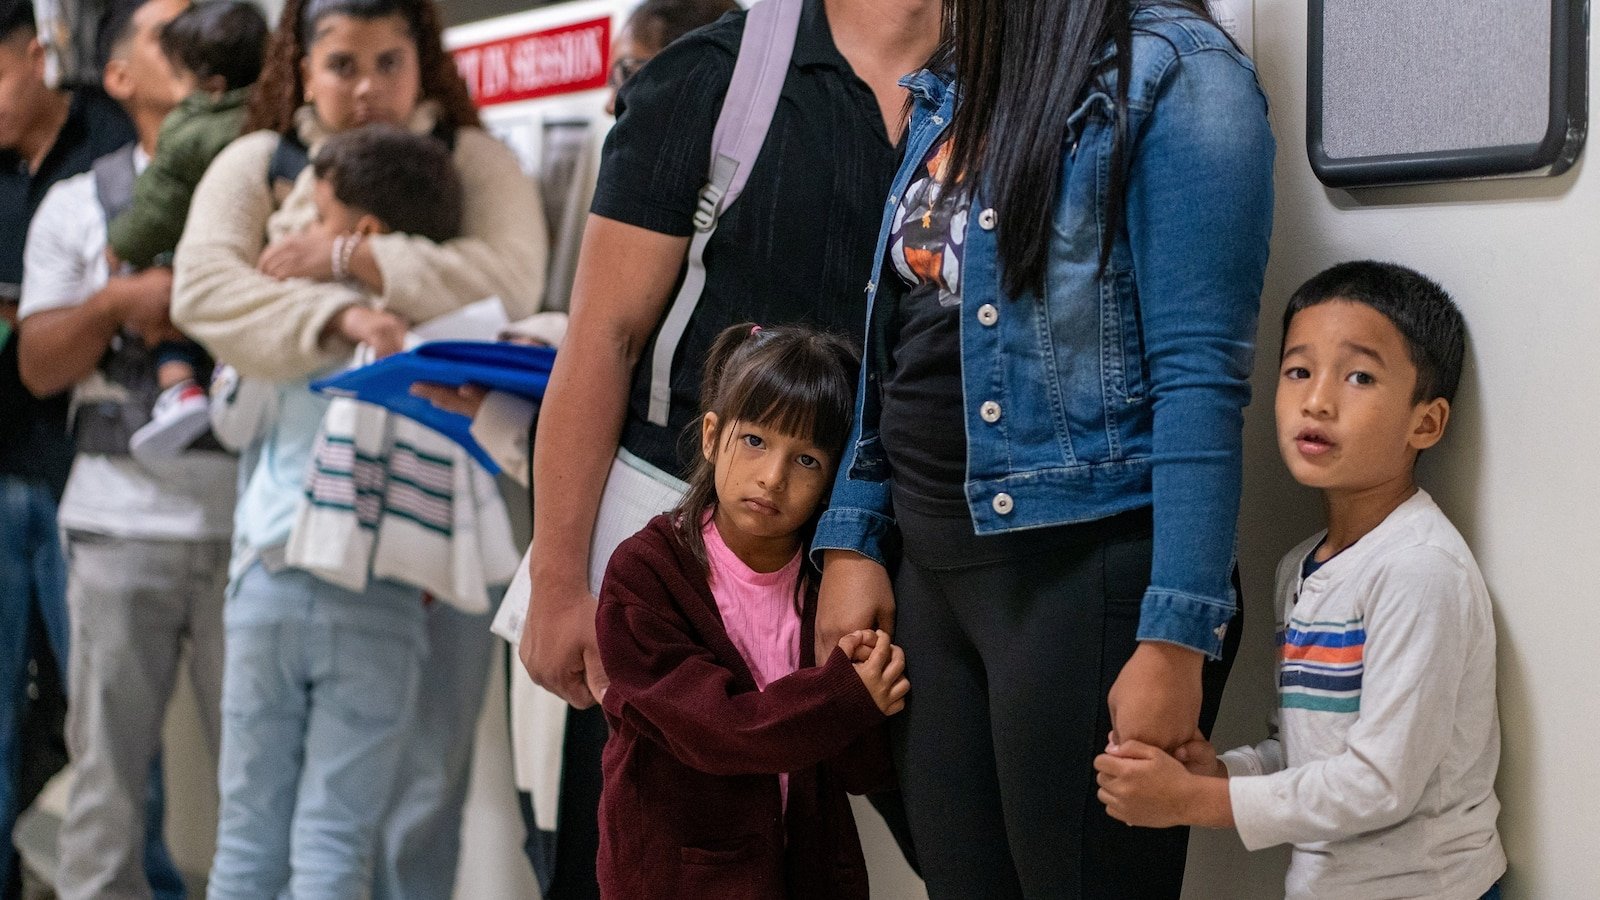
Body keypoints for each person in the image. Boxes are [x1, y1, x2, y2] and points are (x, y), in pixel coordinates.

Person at [809, 0, 1275, 896]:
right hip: (932, 572)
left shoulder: (1181, 74)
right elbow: (892, 336)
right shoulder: (957, 83)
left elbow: (1200, 384)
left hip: (1083, 574)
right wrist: (854, 536)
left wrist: (1177, 638)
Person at [518, 0, 938, 891]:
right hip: (676, 551)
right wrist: (556, 581)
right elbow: (603, 337)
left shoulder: (998, 85)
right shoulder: (707, 79)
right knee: (645, 853)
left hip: (902, 555)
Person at [167, 0, 544, 892]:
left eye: (388, 63)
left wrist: (342, 260)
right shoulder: (256, 162)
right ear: (302, 66)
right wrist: (341, 315)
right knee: (301, 828)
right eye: (342, 64)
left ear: (424, 61)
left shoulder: (472, 160)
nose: (367, 86)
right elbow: (205, 292)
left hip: (442, 548)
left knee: (422, 794)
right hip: (288, 539)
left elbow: (510, 284)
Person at [1095, 261, 1506, 900]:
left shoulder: (1419, 569)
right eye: (1298, 371)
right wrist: (1220, 773)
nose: (1317, 400)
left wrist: (1196, 802)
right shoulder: (1301, 567)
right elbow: (1302, 751)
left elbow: (1379, 785)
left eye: (1359, 376)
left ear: (1425, 423)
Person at [14, 0, 239, 895]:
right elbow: (38, 364)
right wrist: (116, 302)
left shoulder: (266, 184)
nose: (192, 40)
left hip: (252, 528)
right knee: (107, 791)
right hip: (117, 525)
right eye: (166, 31)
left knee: (258, 789)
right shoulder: (76, 204)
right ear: (118, 76)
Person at [595, 323, 906, 899]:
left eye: (807, 460)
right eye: (756, 441)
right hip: (678, 883)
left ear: (834, 481)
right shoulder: (646, 574)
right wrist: (844, 698)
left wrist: (870, 693)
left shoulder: (830, 587)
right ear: (712, 436)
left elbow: (864, 769)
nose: (773, 477)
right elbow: (715, 731)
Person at [0, 0, 136, 891]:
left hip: (94, 475)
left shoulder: (113, 142)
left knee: (107, 725)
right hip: (4, 467)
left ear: (36, 52)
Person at [98, 0, 266, 460]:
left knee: (168, 305)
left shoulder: (186, 133)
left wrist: (122, 245)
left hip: (206, 265)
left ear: (209, 85)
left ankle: (179, 390)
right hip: (262, 267)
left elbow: (158, 211)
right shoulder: (272, 115)